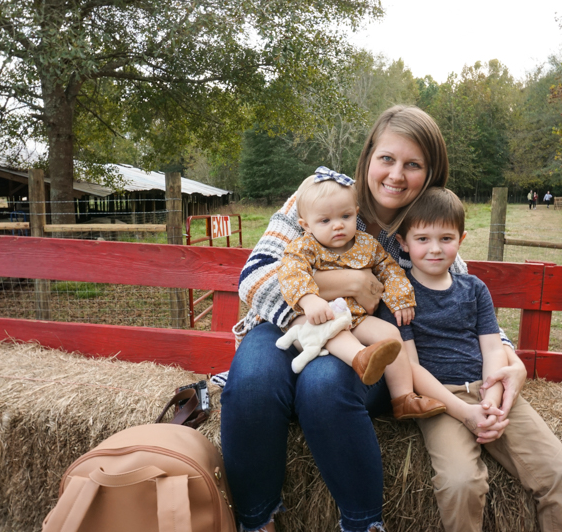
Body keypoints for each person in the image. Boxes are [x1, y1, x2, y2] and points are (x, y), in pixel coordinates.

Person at [220, 105, 528, 532]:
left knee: (324, 385)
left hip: (367, 343)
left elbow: (464, 306)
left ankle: (363, 523)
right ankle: (256, 521)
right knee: (252, 380)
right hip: (289, 322)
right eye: (387, 159)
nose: (396, 175)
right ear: (368, 157)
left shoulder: (426, 228)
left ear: (431, 173)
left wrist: (509, 358)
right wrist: (350, 281)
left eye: (413, 164)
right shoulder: (318, 196)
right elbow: (254, 278)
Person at [378, 187, 562, 532]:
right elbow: (411, 369)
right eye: (423, 238)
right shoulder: (399, 301)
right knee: (461, 483)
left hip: (491, 392)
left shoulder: (474, 289)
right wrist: (466, 413)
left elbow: (492, 348)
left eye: (446, 238)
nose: (434, 248)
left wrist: (491, 399)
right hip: (441, 401)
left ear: (461, 239)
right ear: (403, 242)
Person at [277, 170, 446, 419]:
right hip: (322, 317)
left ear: (356, 213)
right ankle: (360, 358)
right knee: (333, 331)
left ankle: (403, 398)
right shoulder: (304, 246)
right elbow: (290, 273)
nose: (337, 225)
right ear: (306, 225)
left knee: (390, 334)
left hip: (358, 317)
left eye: (345, 216)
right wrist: (309, 299)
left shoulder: (367, 244)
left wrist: (400, 299)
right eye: (325, 221)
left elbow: (390, 270)